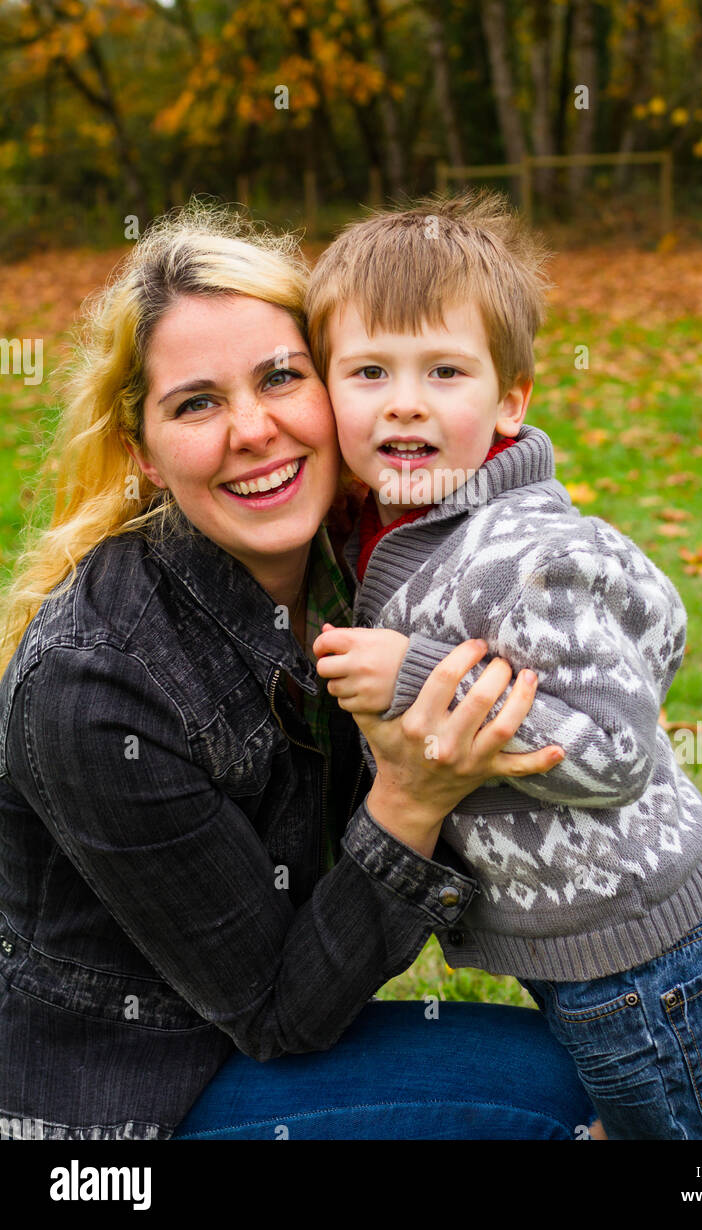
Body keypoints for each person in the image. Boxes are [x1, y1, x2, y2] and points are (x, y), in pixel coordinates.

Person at [0, 203, 594, 1141]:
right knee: (562, 1102)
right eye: (196, 403)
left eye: (283, 376)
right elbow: (280, 1012)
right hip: (130, 1110)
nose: (253, 429)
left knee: (617, 1049)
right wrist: (411, 800)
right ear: (144, 455)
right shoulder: (94, 688)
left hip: (241, 1044)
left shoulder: (368, 557)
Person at [308, 192, 702, 1141]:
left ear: (509, 401)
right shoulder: (391, 524)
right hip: (592, 956)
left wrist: (415, 676)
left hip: (654, 964)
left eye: (445, 371)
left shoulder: (522, 557)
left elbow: (614, 751)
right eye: (369, 371)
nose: (404, 399)